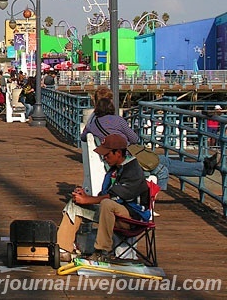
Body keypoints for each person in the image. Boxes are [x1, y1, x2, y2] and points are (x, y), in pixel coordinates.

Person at [82, 93, 218, 190]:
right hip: (127, 158)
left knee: (165, 160)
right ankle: (151, 203)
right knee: (163, 168)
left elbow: (83, 137)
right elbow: (134, 139)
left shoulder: (93, 125)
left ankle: (203, 168)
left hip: (116, 157)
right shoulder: (117, 120)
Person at [58, 134, 150, 262]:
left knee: (107, 204)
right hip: (110, 213)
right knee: (75, 203)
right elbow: (104, 194)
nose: (104, 157)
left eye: (107, 154)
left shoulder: (133, 170)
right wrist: (85, 197)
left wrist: (87, 200)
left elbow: (114, 198)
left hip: (132, 217)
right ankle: (63, 249)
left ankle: (102, 251)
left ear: (118, 153)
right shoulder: (113, 169)